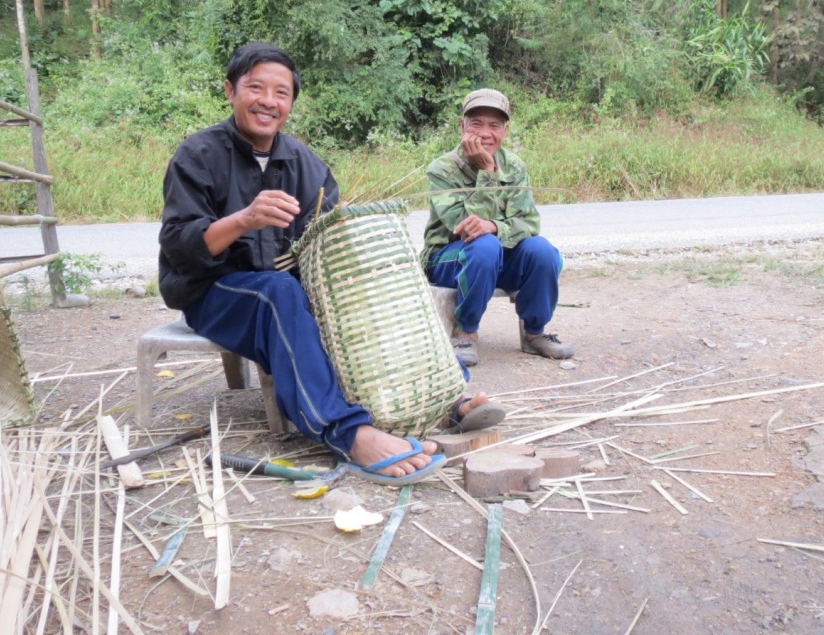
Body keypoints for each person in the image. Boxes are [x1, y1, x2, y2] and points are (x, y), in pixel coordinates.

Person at [158, 42, 500, 485]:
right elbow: (178, 245)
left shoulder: (305, 164)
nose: (268, 101)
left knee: (372, 286)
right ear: (230, 91)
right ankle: (346, 429)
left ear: (291, 103)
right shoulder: (199, 155)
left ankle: (439, 398)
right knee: (279, 292)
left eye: (281, 93)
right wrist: (244, 219)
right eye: (255, 88)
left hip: (289, 292)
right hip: (213, 291)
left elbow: (328, 246)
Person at [421, 88, 574, 367]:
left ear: (505, 130)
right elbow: (465, 230)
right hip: (449, 260)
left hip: (496, 257)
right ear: (462, 126)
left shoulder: (515, 167)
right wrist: (487, 173)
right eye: (476, 123)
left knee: (542, 251)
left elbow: (528, 222)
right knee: (484, 245)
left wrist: (494, 225)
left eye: (494, 125)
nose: (485, 133)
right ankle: (466, 333)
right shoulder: (442, 169)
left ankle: (534, 334)